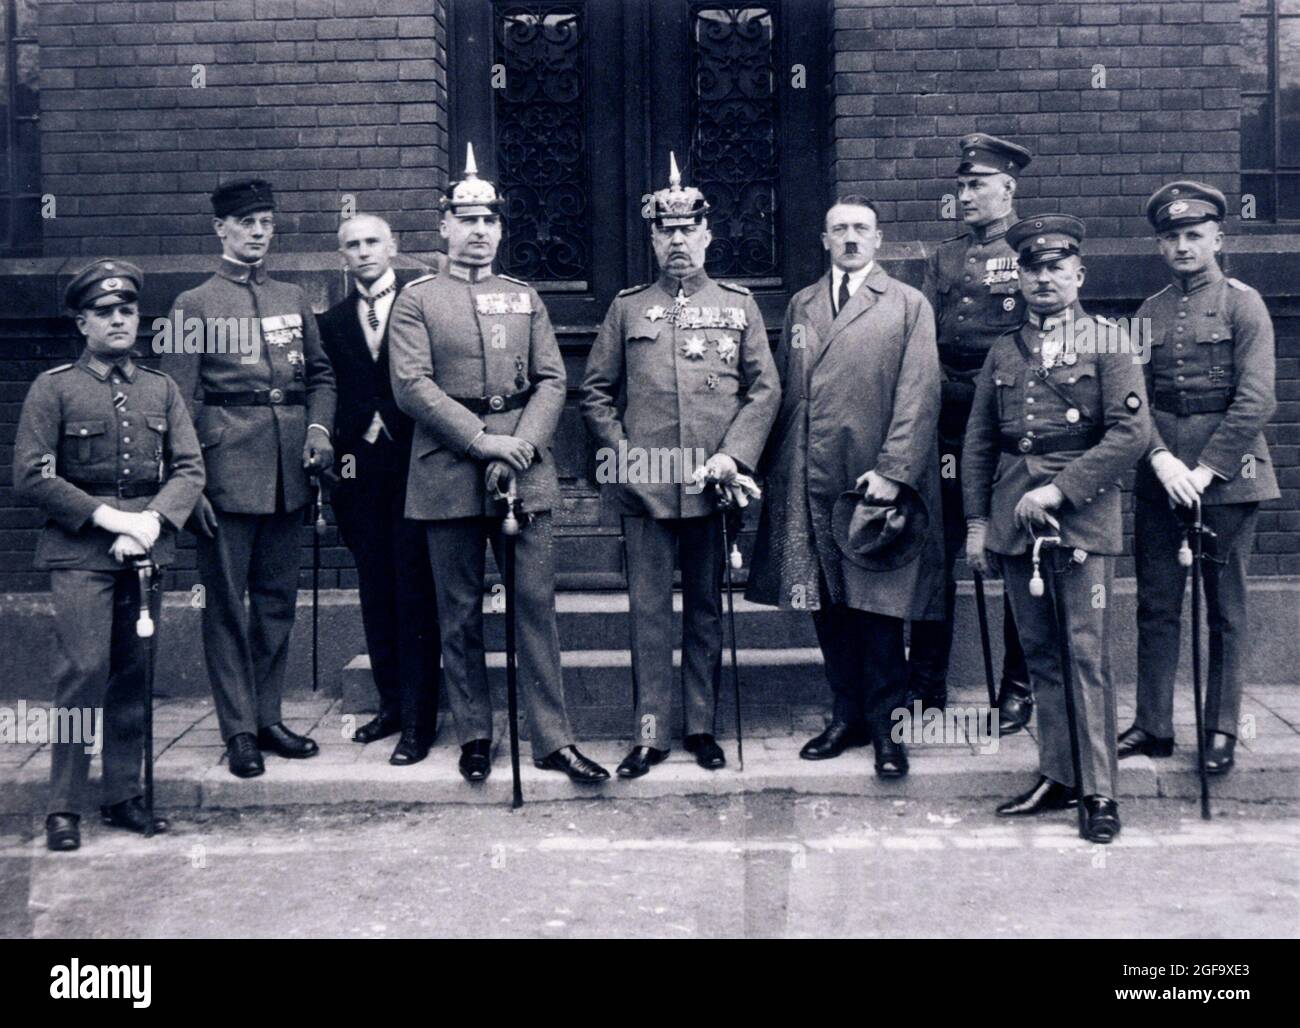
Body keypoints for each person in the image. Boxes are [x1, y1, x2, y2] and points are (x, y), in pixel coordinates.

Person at [387, 145, 608, 784]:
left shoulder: (523, 296)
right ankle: (475, 736)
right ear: (444, 227)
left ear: (500, 228)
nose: (478, 231)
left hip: (524, 467)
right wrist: (482, 441)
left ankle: (553, 739)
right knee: (456, 612)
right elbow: (412, 385)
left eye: (488, 220)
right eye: (466, 219)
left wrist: (524, 446)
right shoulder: (416, 300)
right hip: (447, 467)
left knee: (534, 606)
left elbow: (550, 379)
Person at [581, 154, 780, 778]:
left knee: (705, 610)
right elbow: (594, 391)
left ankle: (700, 727)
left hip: (713, 486)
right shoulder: (627, 308)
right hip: (646, 489)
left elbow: (764, 390)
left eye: (688, 230)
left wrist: (733, 456)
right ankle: (650, 734)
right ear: (652, 238)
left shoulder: (739, 306)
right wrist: (626, 461)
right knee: (647, 613)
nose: (677, 242)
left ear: (707, 235)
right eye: (666, 232)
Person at [963, 215, 1151, 843]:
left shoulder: (1110, 341)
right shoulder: (1001, 352)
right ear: (1019, 277)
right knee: (1042, 655)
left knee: (1085, 654)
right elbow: (981, 444)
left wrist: (1061, 488)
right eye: (1033, 268)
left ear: (1079, 275)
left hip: (1083, 520)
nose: (1044, 278)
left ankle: (1100, 791)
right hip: (1016, 524)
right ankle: (1058, 773)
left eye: (1056, 268)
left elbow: (1131, 434)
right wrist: (976, 524)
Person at [747, 196, 943, 779]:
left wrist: (893, 470)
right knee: (827, 602)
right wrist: (767, 469)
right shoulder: (803, 303)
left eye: (861, 229)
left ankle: (888, 726)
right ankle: (847, 714)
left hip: (872, 480)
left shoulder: (908, 304)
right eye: (839, 229)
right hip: (811, 476)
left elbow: (920, 393)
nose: (850, 238)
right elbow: (787, 394)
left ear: (878, 239)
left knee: (878, 606)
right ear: (825, 239)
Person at [13, 260, 205, 850]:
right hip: (79, 552)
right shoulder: (55, 388)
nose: (119, 321)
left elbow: (190, 468)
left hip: (145, 547)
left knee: (133, 674)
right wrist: (110, 519)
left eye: (127, 311)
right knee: (83, 671)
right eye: (105, 312)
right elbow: (31, 474)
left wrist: (148, 521)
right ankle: (63, 806)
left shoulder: (161, 387)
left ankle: (124, 794)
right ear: (82, 322)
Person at [160, 178, 337, 779]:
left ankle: (268, 716)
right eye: (246, 222)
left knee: (276, 604)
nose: (259, 232)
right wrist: (191, 486)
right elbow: (174, 401)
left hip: (291, 472)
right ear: (221, 230)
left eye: (266, 221)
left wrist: (319, 432)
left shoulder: (291, 296)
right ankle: (237, 730)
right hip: (223, 474)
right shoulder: (194, 304)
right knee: (226, 609)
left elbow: (321, 378)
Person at [1121, 181, 1279, 775]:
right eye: (1171, 237)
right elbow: (1132, 402)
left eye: (1194, 235)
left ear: (1217, 237)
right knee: (1156, 605)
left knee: (1226, 608)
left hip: (1230, 478)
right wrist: (1161, 459)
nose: (1183, 246)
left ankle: (1220, 730)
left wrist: (1207, 468)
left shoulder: (1245, 304)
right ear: (1160, 245)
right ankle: (1152, 724)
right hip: (1161, 478)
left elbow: (1257, 398)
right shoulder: (1147, 312)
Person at [913, 132, 1033, 726]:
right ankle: (926, 680)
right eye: (961, 185)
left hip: (1008, 420)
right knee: (936, 550)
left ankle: (1018, 683)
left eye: (976, 185)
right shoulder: (944, 258)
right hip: (947, 419)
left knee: (1011, 548)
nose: (965, 195)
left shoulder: (1032, 251)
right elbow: (925, 338)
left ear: (1007, 189)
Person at [318, 214, 442, 765]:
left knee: (416, 592)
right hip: (357, 474)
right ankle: (391, 705)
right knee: (376, 589)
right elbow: (328, 387)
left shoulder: (423, 305)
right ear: (342, 256)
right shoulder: (333, 320)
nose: (363, 252)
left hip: (417, 465)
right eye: (352, 245)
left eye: (372, 242)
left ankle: (420, 720)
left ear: (393, 247)